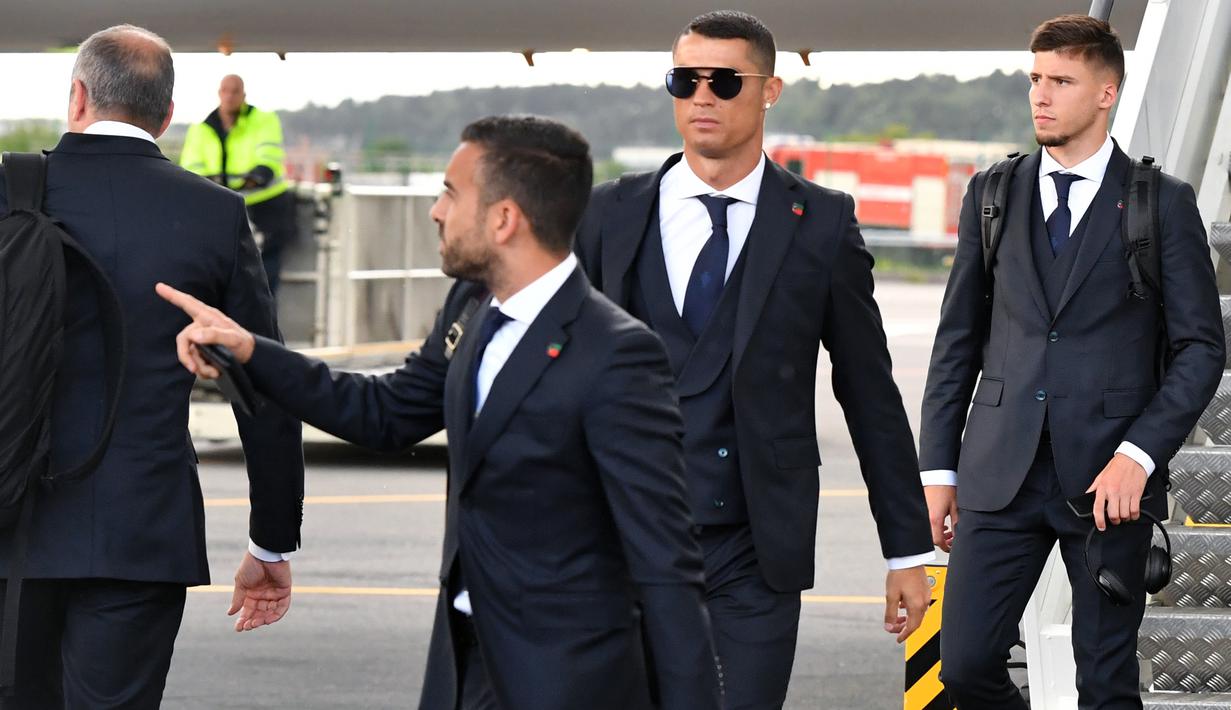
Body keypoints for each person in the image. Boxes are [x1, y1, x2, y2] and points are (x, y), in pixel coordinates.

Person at [158, 114, 721, 710]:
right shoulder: (473, 307)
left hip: (567, 679)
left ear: (504, 219)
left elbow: (665, 561)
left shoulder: (617, 354)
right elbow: (386, 411)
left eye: (451, 194)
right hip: (463, 667)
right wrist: (251, 351)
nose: (435, 211)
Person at [574, 10, 933, 708]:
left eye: (724, 81)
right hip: (621, 540)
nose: (701, 96)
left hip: (754, 551)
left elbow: (869, 393)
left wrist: (905, 552)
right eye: (684, 80)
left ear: (769, 91)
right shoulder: (605, 215)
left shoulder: (822, 223)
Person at [919, 14, 1224, 708]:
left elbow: (1202, 347)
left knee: (1105, 686)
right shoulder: (990, 194)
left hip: (1109, 485)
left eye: (1060, 80)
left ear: (1105, 93)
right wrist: (937, 467)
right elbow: (956, 341)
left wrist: (1138, 456)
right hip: (997, 474)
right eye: (1035, 78)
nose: (1040, 95)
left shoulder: (1161, 203)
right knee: (964, 667)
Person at [0, 25, 304, 709]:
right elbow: (264, 386)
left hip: (11, 522)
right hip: (142, 529)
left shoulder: (8, 195)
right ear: (167, 115)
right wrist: (271, 540)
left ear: (77, 97)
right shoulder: (215, 213)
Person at [180, 74, 297, 295]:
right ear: (219, 93)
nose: (230, 96)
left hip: (265, 206)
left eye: (235, 91)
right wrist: (211, 185)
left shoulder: (263, 120)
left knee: (265, 275)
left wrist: (255, 177)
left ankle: (264, 312)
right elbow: (192, 168)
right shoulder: (200, 129)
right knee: (220, 271)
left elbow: (269, 157)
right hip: (221, 207)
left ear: (244, 95)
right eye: (226, 91)